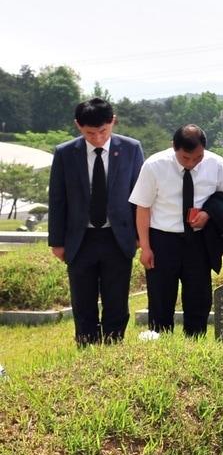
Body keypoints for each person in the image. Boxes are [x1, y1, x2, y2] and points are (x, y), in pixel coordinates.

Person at [47, 98, 145, 345]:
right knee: (83, 302)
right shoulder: (65, 153)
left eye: (103, 131)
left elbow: (140, 195)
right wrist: (57, 242)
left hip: (118, 237)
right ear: (78, 126)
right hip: (80, 239)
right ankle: (87, 350)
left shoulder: (131, 149)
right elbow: (57, 199)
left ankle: (113, 349)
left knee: (116, 302)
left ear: (113, 121)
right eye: (91, 133)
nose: (98, 138)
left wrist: (138, 236)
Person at [129, 125, 223, 336]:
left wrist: (208, 214)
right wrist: (145, 247)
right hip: (162, 240)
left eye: (198, 157)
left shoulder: (215, 163)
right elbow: (143, 207)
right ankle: (160, 347)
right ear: (173, 147)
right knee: (160, 299)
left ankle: (195, 344)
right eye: (186, 158)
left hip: (199, 240)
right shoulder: (154, 165)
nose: (192, 163)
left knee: (199, 298)